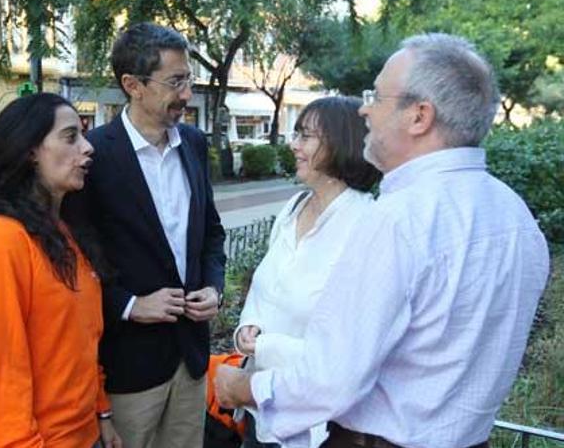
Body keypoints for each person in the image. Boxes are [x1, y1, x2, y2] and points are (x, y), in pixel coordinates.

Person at [214, 33, 550, 448]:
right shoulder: (514, 213)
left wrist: (243, 388)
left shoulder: (396, 220)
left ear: (419, 116)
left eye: (376, 95)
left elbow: (330, 378)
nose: (364, 109)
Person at [66, 22, 227, 448]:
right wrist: (130, 305)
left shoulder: (192, 143)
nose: (187, 95)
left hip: (190, 359)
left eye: (188, 80)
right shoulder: (92, 155)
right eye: (175, 82)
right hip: (129, 365)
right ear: (132, 85)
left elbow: (211, 233)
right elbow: (77, 260)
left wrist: (214, 287)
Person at [0, 93, 121, 447]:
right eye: (70, 137)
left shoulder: (62, 233)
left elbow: (80, 341)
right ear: (30, 151)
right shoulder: (2, 244)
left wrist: (101, 414)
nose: (87, 148)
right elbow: (1, 383)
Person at [232, 97, 380, 448]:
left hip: (315, 428)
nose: (294, 145)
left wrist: (265, 346)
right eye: (296, 134)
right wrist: (246, 329)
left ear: (340, 143)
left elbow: (350, 347)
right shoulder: (292, 208)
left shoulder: (366, 224)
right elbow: (266, 288)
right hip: (262, 411)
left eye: (306, 136)